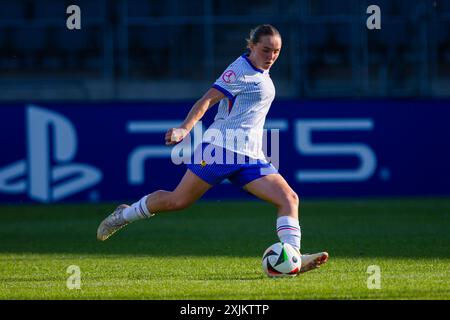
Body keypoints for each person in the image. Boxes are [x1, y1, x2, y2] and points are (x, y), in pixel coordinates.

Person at [97, 24, 328, 274]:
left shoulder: (261, 71)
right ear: (251, 46)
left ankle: (293, 256)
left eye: (276, 51)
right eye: (265, 50)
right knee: (178, 201)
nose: (271, 56)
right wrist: (185, 129)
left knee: (289, 198)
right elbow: (206, 100)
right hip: (220, 149)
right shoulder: (239, 71)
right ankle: (123, 214)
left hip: (251, 155)